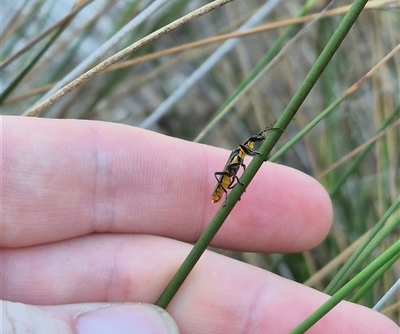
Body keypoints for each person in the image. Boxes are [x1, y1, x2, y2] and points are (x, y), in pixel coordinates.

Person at [2, 116, 397, 334]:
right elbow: (236, 165)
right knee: (231, 180)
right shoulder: (235, 161)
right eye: (254, 144)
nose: (255, 147)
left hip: (226, 183)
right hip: (223, 185)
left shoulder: (242, 154)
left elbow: (244, 155)